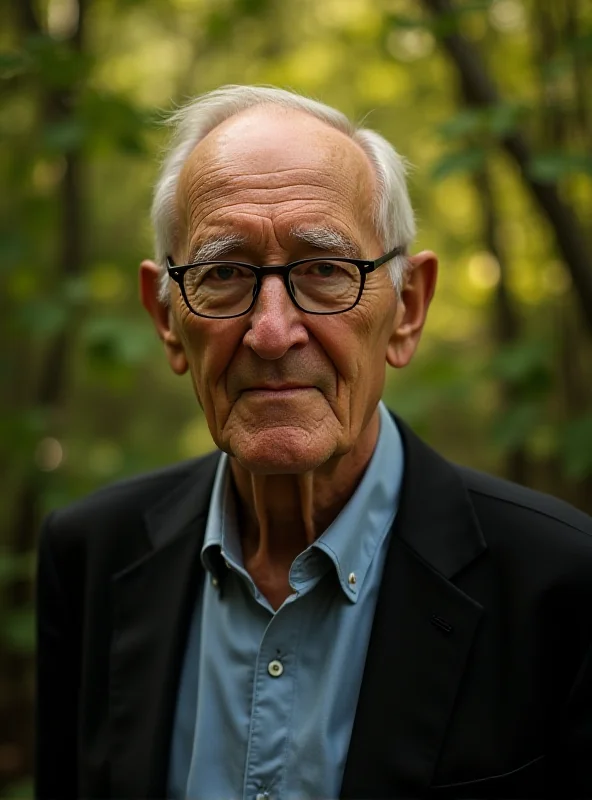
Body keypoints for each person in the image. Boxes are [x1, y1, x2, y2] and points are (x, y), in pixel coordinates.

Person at [35, 85, 592, 800]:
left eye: (326, 271)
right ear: (168, 318)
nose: (271, 333)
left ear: (407, 310)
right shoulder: (90, 558)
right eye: (225, 274)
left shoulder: (563, 588)